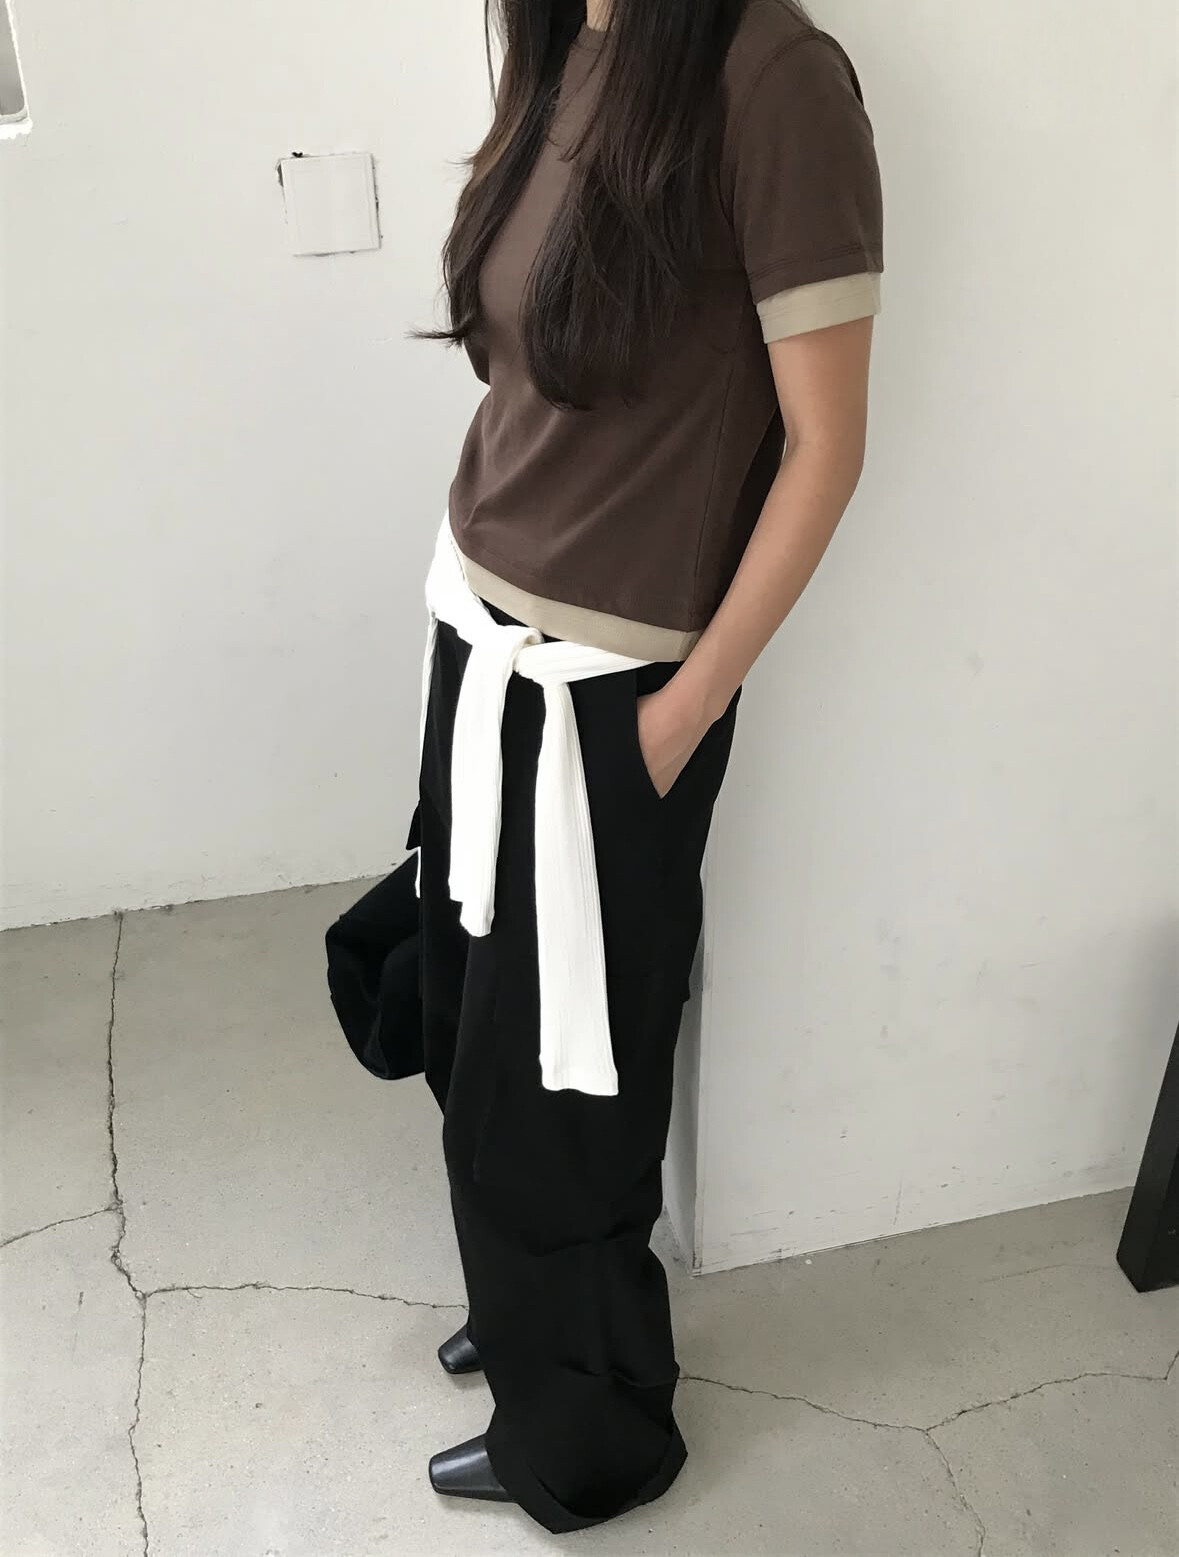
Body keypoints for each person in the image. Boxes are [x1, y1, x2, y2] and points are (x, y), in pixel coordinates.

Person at [416, 0, 882, 1532]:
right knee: (477, 1031)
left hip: (610, 697)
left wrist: (683, 709)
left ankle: (591, 1439)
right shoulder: (565, 39)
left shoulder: (774, 78)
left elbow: (824, 445)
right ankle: (539, 1317)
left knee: (569, 1083)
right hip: (480, 645)